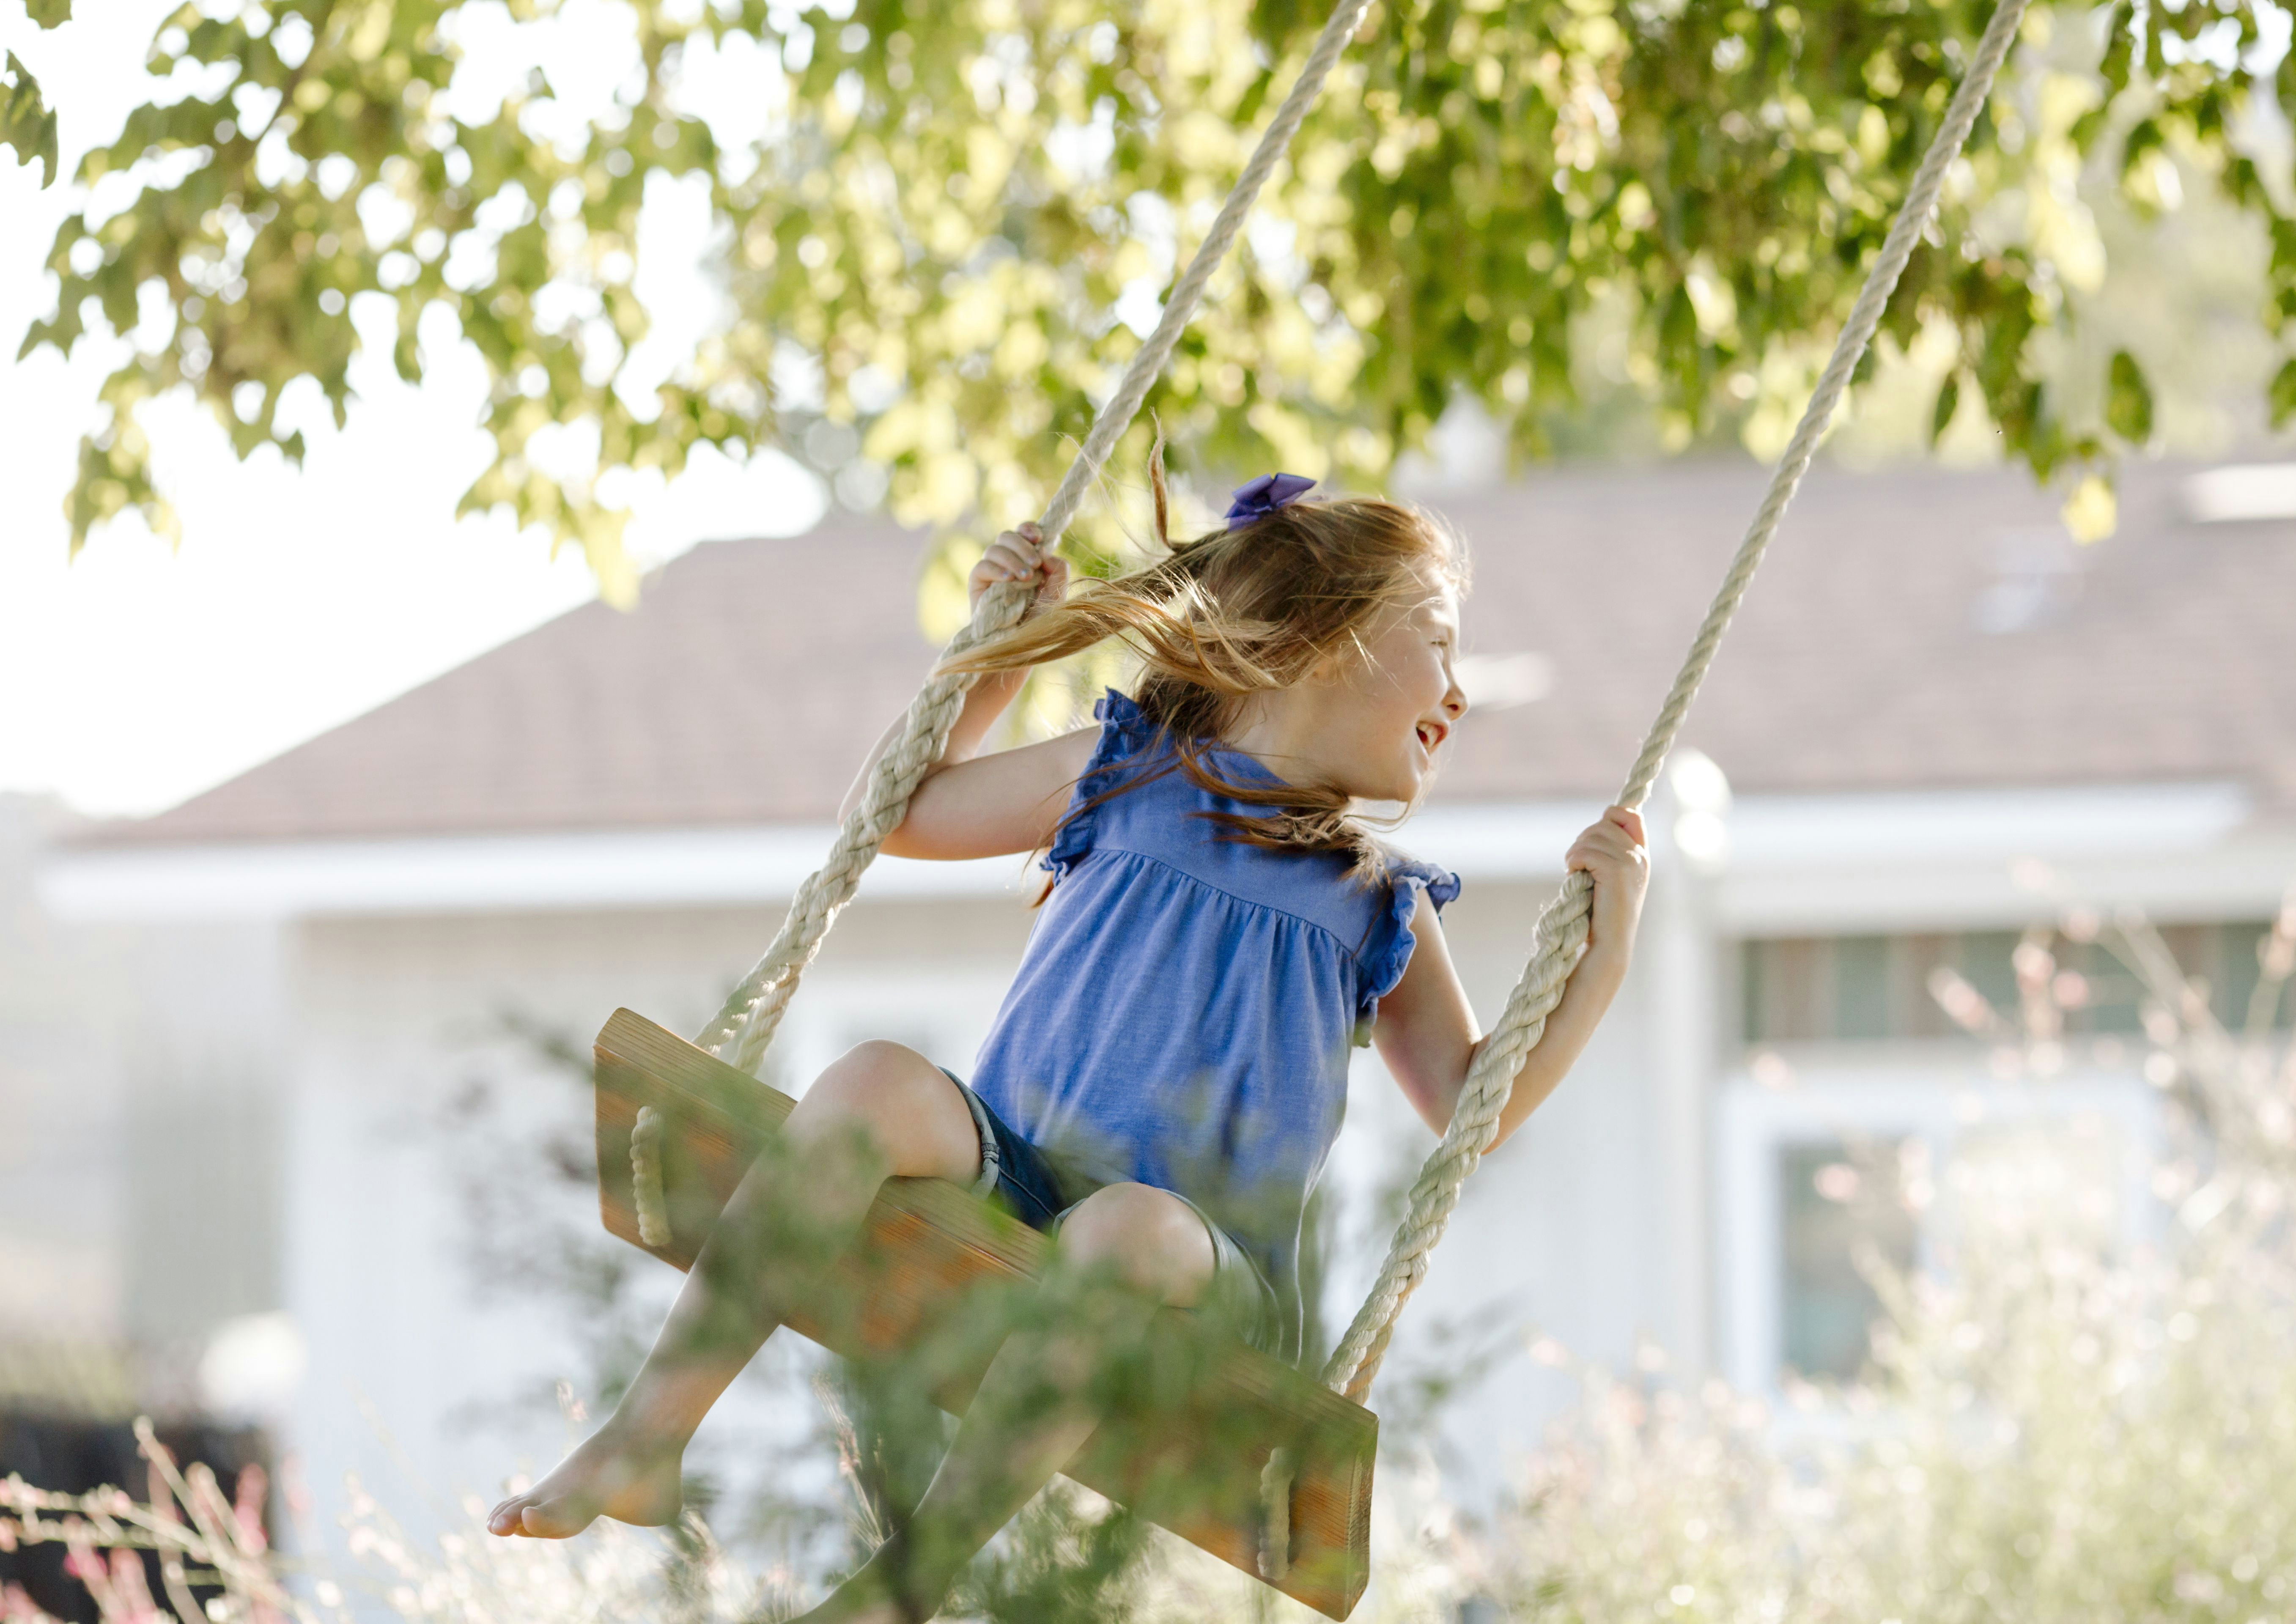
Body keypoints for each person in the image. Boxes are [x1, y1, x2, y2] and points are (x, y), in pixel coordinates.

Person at [486, 466, 1652, 1621]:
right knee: (873, 1078)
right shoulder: (1125, 772)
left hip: (1203, 1275)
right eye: (1439, 642)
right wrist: (1007, 651)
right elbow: (894, 811)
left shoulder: (1372, 896)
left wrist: (1603, 954)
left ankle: (909, 1589)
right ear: (1319, 633)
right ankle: (645, 1438)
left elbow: (1469, 1107)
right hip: (1024, 1181)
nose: (1459, 687)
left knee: (1128, 1226)